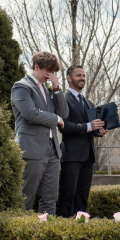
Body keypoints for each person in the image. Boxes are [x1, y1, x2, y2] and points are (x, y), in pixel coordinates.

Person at [11, 52, 69, 215]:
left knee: (50, 200)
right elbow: (31, 113)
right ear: (36, 66)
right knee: (25, 198)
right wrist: (56, 118)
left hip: (53, 151)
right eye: (48, 71)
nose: (50, 76)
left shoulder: (47, 88)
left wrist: (57, 89)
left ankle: (46, 236)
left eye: (53, 72)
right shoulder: (21, 86)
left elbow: (64, 113)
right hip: (31, 149)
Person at [58, 66, 108, 218]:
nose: (83, 78)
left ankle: (81, 225)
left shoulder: (89, 103)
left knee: (82, 196)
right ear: (69, 78)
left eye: (84, 76)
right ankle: (65, 225)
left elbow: (90, 129)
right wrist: (88, 126)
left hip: (88, 157)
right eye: (79, 75)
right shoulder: (63, 100)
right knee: (68, 195)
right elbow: (63, 126)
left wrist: (99, 131)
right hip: (71, 156)